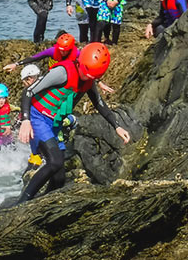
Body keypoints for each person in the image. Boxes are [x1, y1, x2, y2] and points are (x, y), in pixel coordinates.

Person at [15, 43, 131, 204]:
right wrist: (25, 120)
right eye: (86, 74)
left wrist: (117, 126)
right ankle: (21, 203)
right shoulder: (62, 72)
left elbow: (99, 103)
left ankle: (43, 204)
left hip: (54, 123)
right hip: (37, 117)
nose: (87, 78)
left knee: (59, 178)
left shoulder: (88, 79)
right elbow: (28, 92)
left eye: (92, 77)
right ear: (81, 63)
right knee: (54, 162)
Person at [4, 33, 78, 73]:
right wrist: (16, 64)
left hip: (68, 74)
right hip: (53, 73)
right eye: (60, 50)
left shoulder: (77, 53)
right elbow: (34, 58)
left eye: (65, 50)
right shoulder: (52, 51)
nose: (62, 52)